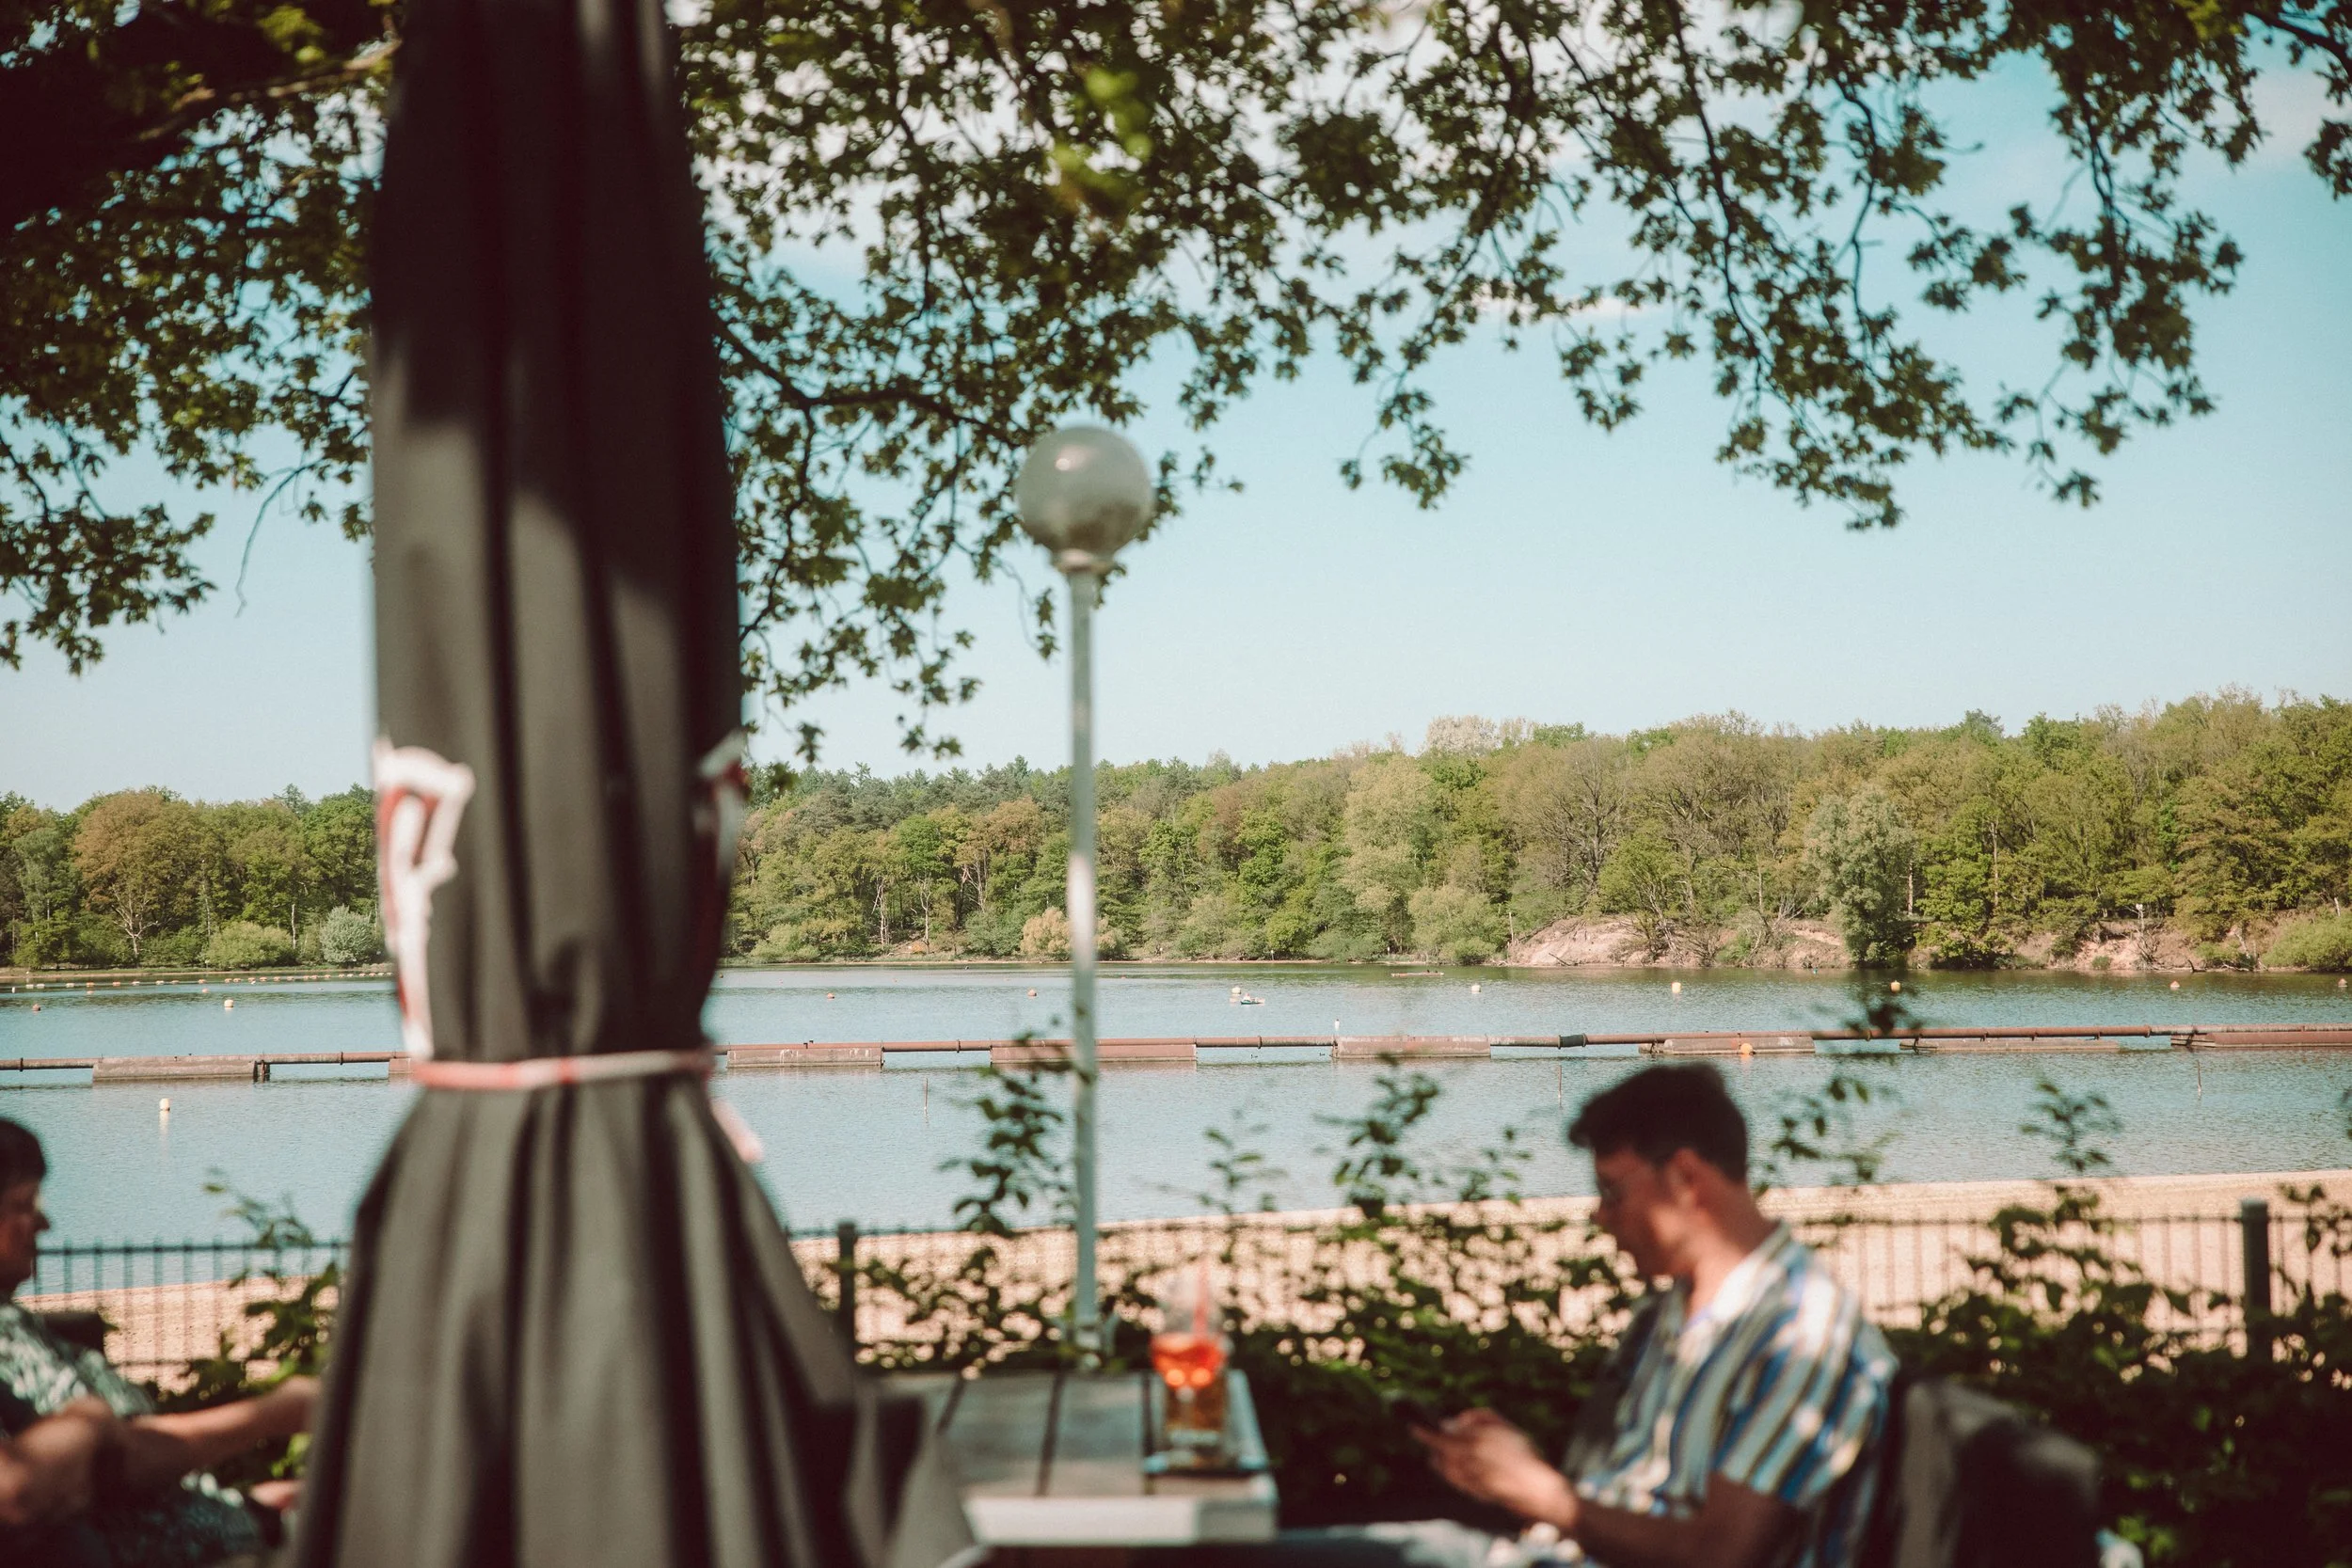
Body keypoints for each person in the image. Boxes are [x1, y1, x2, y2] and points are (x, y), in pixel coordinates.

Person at [1406, 1063, 1898, 1568]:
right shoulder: (1673, 1311)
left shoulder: (1800, 1332)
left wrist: (1537, 1490)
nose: (1599, 1216)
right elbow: (1637, 1493)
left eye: (1612, 1192)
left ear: (1686, 1180)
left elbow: (1721, 1556)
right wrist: (1512, 1470)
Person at [0, 1115, 316, 1566]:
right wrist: (275, 1414)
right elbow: (126, 1461)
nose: (44, 1223)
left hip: (226, 1529)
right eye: (24, 1204)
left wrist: (250, 1506)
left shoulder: (17, 1325)